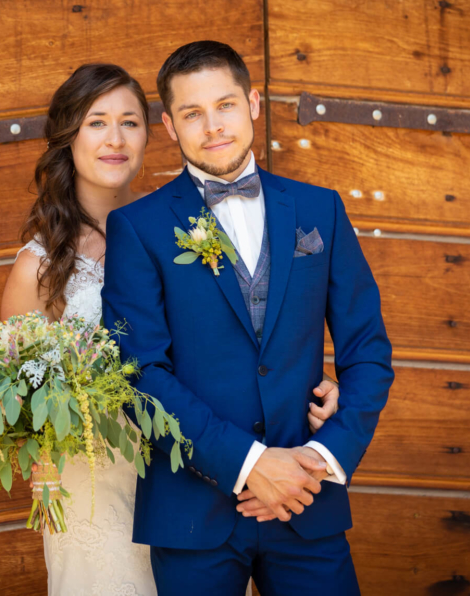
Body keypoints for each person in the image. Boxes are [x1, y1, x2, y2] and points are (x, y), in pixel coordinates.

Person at [1, 62, 341, 595]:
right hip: (101, 482)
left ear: (154, 131)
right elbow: (16, 397)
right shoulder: (39, 267)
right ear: (68, 136)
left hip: (199, 469)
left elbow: (248, 333)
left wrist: (311, 386)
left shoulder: (175, 224)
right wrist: (46, 472)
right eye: (96, 122)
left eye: (130, 122)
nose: (115, 139)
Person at [102, 41, 395, 595]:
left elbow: (368, 352)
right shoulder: (138, 228)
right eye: (192, 113)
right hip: (192, 510)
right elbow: (139, 375)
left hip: (309, 500)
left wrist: (321, 456)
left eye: (226, 105)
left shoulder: (320, 209)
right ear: (169, 125)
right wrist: (250, 463)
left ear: (254, 104)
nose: (213, 126)